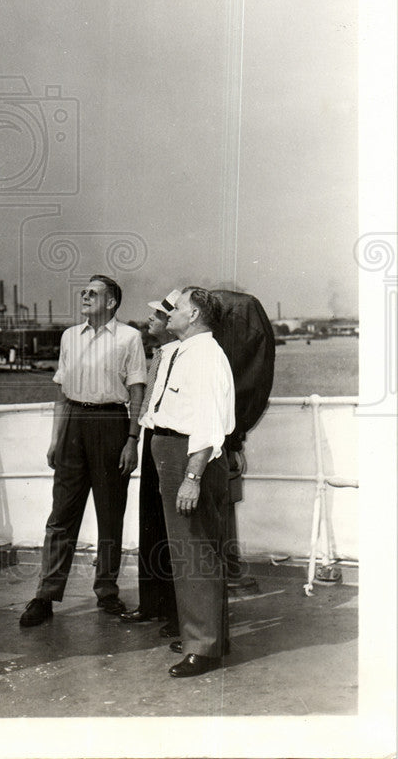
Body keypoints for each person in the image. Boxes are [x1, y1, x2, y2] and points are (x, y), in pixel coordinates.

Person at [19, 274, 147, 626]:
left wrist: (132, 440)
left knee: (110, 516)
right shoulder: (69, 337)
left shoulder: (130, 338)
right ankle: (45, 596)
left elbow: (137, 392)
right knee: (61, 515)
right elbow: (62, 394)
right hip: (74, 422)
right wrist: (55, 439)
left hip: (111, 424)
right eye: (84, 291)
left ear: (112, 303)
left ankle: (106, 592)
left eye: (94, 293)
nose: (85, 296)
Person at [143, 286, 235, 677]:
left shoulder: (207, 356)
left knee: (193, 550)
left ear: (195, 314)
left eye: (178, 308)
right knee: (195, 549)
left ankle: (204, 647)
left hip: (188, 456)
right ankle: (210, 634)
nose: (171, 314)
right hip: (171, 450)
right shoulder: (184, 352)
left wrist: (192, 477)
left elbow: (210, 424)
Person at [119, 291, 181, 634]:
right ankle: (151, 603)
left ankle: (173, 611)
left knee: (167, 530)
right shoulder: (159, 353)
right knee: (151, 526)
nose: (151, 320)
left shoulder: (177, 355)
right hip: (153, 441)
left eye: (159, 315)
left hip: (169, 442)